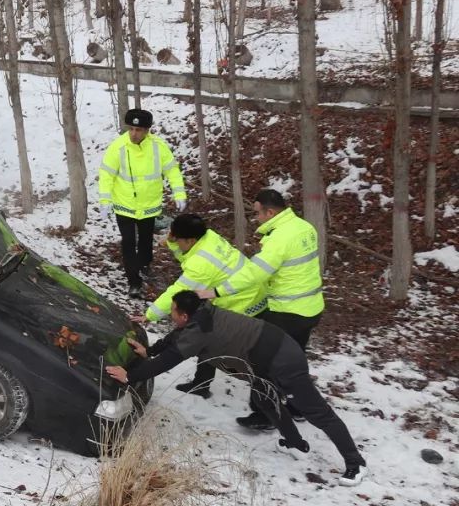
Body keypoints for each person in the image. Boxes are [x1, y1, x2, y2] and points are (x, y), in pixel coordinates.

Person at [105, 291, 366, 486]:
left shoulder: (199, 330)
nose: (170, 315)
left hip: (283, 357)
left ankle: (356, 463)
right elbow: (176, 339)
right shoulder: (202, 313)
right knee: (265, 399)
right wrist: (149, 350)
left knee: (317, 411)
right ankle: (295, 443)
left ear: (184, 315)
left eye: (172, 311)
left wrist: (130, 375)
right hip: (264, 355)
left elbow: (170, 359)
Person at [197, 189, 325, 430]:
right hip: (311, 307)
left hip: (287, 311)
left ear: (270, 211)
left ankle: (265, 415)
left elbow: (256, 273)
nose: (256, 218)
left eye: (257, 213)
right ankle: (299, 407)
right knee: (294, 359)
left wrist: (216, 291)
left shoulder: (280, 238)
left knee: (264, 362)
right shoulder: (303, 227)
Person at [140, 214, 267, 399]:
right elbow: (186, 256)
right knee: (208, 337)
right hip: (251, 291)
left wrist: (150, 314)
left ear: (190, 240)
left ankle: (265, 394)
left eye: (177, 238)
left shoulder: (201, 264)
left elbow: (179, 291)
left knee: (218, 341)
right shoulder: (208, 236)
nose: (173, 240)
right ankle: (201, 383)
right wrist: (173, 243)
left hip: (243, 301)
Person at [97, 108, 187, 298]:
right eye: (131, 129)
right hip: (124, 204)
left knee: (146, 241)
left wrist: (179, 193)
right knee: (128, 241)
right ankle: (133, 281)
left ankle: (145, 263)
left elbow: (172, 170)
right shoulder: (118, 147)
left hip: (149, 204)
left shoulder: (158, 147)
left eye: (138, 130)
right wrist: (105, 200)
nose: (133, 134)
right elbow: (107, 174)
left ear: (147, 131)